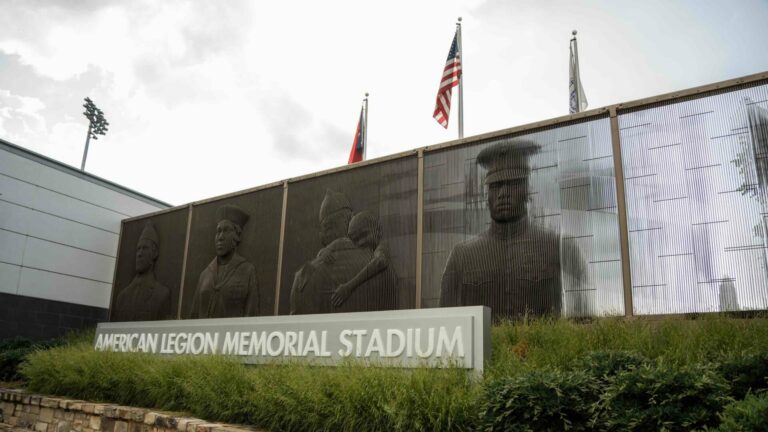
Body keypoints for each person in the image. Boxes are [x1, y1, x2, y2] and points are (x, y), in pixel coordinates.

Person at [439, 140, 586, 320]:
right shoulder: (461, 256)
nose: (503, 194)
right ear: (487, 195)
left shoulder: (559, 247)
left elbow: (582, 318)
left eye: (513, 184)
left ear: (528, 190)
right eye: (495, 186)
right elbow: (445, 324)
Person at [290, 190, 373, 314]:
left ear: (324, 233)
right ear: (351, 219)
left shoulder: (304, 277)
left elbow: (298, 330)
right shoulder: (376, 263)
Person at [189, 204, 258, 318]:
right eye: (218, 231)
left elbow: (252, 315)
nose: (220, 237)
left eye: (226, 230)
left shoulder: (247, 271)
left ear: (237, 235)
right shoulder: (205, 275)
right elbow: (193, 316)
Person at [330, 210, 399, 311]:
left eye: (365, 234)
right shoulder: (368, 252)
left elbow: (380, 261)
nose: (361, 242)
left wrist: (348, 287)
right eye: (355, 240)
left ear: (378, 230)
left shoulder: (382, 246)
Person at [112, 221, 172, 321]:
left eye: (145, 248)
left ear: (155, 253)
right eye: (138, 249)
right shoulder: (122, 296)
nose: (139, 254)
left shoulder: (162, 294)